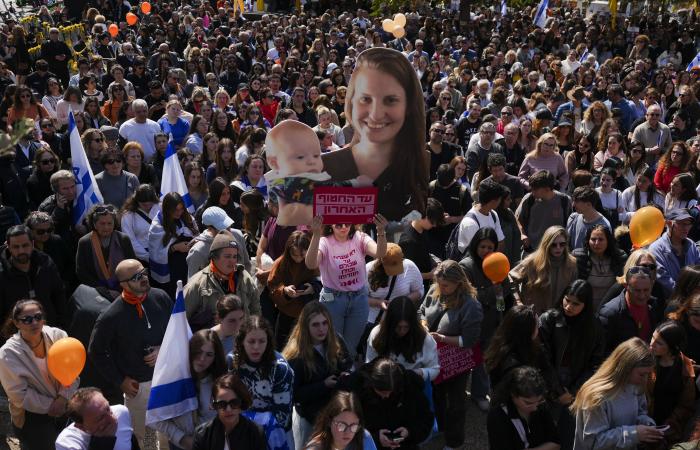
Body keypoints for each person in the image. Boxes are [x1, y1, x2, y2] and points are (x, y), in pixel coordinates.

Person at [321, 47, 429, 222]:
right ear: (351, 102)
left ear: (408, 106)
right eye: (366, 99)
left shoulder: (420, 162)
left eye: (390, 100)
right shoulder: (325, 167)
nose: (376, 114)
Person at [88, 259, 171, 449]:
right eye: (136, 277)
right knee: (147, 436)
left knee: (168, 431)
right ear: (123, 284)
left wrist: (163, 349)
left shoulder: (161, 297)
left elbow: (177, 330)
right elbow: (96, 351)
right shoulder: (111, 315)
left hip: (165, 378)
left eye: (143, 273)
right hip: (138, 387)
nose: (143, 279)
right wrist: (120, 380)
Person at [419, 260, 483, 449]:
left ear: (459, 283)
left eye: (445, 285)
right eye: (438, 283)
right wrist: (423, 324)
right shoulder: (434, 291)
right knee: (437, 396)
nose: (440, 288)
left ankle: (454, 441)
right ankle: (441, 426)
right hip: (433, 357)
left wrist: (443, 338)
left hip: (456, 361)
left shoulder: (471, 306)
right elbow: (422, 310)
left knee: (455, 403)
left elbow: (470, 341)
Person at [305, 214, 388, 358]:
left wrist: (381, 230)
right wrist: (316, 234)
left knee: (349, 347)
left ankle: (345, 374)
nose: (343, 227)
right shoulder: (325, 242)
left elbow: (380, 253)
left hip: (358, 299)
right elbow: (311, 264)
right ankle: (331, 374)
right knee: (331, 345)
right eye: (338, 224)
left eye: (347, 223)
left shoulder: (359, 237)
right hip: (333, 300)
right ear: (330, 225)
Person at [0, 300, 79, 450]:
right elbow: (19, 395)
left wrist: (63, 398)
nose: (34, 322)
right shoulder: (7, 354)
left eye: (38, 317)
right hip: (32, 415)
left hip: (64, 402)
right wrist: (52, 406)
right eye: (27, 319)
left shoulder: (59, 335)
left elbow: (74, 370)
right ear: (17, 323)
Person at [538, 280, 605, 449]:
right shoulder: (549, 320)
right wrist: (558, 391)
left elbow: (595, 364)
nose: (569, 306)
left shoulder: (594, 327)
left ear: (585, 304)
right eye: (567, 300)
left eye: (576, 304)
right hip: (548, 383)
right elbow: (542, 359)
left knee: (568, 434)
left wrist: (574, 391)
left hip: (576, 386)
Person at [282, 301, 353, 449]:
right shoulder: (296, 356)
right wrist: (323, 385)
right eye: (315, 325)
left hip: (336, 413)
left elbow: (348, 364)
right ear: (305, 327)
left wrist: (346, 375)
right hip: (309, 419)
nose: (321, 329)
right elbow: (293, 395)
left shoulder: (336, 340)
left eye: (324, 323)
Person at [570, 337, 664, 449]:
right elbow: (594, 442)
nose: (645, 380)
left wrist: (645, 423)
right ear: (625, 368)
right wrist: (634, 434)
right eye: (641, 374)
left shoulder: (635, 386)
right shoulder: (596, 397)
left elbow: (639, 412)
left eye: (648, 374)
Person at [153, 329, 227, 450]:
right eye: (198, 352)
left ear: (216, 357)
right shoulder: (173, 380)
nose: (202, 359)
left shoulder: (220, 381)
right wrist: (182, 438)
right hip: (180, 445)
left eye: (209, 354)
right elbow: (154, 418)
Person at [351, 358, 434, 450]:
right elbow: (348, 428)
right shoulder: (356, 389)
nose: (386, 396)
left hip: (407, 445)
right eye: (381, 392)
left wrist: (409, 432)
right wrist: (374, 438)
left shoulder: (410, 386)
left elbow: (425, 420)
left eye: (390, 392)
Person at [229, 315, 295, 433]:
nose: (256, 347)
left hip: (274, 433)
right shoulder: (231, 363)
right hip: (238, 431)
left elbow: (282, 417)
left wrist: (248, 419)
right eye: (251, 341)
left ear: (268, 342)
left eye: (261, 341)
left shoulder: (280, 369)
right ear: (242, 341)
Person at [185, 230, 260, 331]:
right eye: (227, 256)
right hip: (214, 343)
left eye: (235, 256)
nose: (232, 261)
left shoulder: (244, 278)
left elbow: (255, 310)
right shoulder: (196, 284)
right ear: (214, 258)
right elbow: (182, 320)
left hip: (241, 341)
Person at [264, 120, 331, 226]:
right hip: (290, 234)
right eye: (300, 157)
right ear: (275, 163)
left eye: (316, 155)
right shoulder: (278, 184)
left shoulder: (323, 179)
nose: (311, 161)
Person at [0, 224, 66, 327]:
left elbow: (58, 293)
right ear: (8, 247)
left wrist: (60, 323)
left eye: (25, 245)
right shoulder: (2, 274)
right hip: (17, 337)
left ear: (32, 244)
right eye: (16, 247)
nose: (21, 251)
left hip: (49, 330)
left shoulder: (45, 263)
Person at [366, 296, 439, 383]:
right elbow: (369, 365)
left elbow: (435, 370)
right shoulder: (376, 334)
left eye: (406, 327)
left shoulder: (425, 339)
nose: (402, 331)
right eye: (398, 327)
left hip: (412, 386)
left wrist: (416, 373)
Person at [267, 231, 322, 348]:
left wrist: (313, 287)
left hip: (308, 313)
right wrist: (285, 291)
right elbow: (272, 285)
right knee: (283, 347)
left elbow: (323, 280)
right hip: (286, 314)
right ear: (288, 252)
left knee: (306, 347)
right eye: (294, 255)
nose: (298, 259)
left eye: (302, 255)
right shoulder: (281, 263)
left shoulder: (313, 261)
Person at [486, 366, 560, 450]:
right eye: (528, 403)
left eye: (539, 400)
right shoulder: (497, 416)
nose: (535, 408)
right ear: (513, 394)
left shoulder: (540, 406)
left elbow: (556, 443)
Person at [647, 321, 696, 448]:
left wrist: (671, 422)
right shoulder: (646, 360)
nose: (652, 344)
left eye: (659, 343)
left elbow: (686, 403)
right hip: (644, 420)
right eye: (652, 338)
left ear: (671, 347)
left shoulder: (684, 367)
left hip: (670, 428)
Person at [510, 226, 578, 313]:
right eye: (553, 245)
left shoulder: (571, 264)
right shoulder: (532, 261)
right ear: (546, 244)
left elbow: (572, 292)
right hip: (533, 314)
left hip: (556, 316)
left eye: (562, 244)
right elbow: (511, 277)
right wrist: (518, 300)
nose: (558, 248)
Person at [598, 265, 665, 354]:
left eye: (646, 290)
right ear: (626, 286)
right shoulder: (610, 313)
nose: (642, 296)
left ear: (652, 285)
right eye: (637, 290)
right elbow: (601, 352)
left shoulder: (654, 306)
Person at [75, 205, 136, 300]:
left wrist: (122, 288)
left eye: (109, 223)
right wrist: (102, 290)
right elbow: (81, 271)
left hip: (123, 290)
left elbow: (132, 266)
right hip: (96, 292)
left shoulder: (123, 239)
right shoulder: (85, 242)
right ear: (94, 224)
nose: (106, 227)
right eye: (102, 223)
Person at [191, 373, 267, 450]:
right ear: (215, 406)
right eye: (222, 404)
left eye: (234, 403)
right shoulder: (202, 435)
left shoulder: (255, 433)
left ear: (242, 403)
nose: (228, 409)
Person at [148, 192, 197, 297]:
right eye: (175, 210)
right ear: (168, 209)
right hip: (172, 271)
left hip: (189, 265)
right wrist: (175, 247)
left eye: (181, 209)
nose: (179, 213)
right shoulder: (158, 225)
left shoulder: (187, 218)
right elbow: (156, 250)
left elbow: (196, 234)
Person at [55, 388, 139, 450]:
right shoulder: (67, 443)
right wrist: (105, 441)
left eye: (108, 408)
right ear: (81, 427)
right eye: (100, 418)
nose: (112, 418)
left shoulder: (121, 412)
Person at [515, 171, 572, 255]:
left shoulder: (565, 201)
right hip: (533, 250)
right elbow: (517, 218)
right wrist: (522, 234)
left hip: (556, 251)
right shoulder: (529, 199)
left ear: (547, 189)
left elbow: (569, 224)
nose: (532, 191)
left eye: (535, 189)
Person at [572, 225, 627, 309]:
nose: (596, 243)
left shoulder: (619, 258)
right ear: (588, 240)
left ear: (608, 241)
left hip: (610, 309)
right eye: (593, 239)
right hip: (584, 309)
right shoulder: (579, 257)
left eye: (601, 239)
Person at [187, 205, 249, 279]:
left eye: (228, 225)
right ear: (210, 228)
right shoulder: (198, 252)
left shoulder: (238, 235)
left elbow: (247, 264)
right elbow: (192, 283)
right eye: (222, 228)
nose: (228, 231)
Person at [649, 209, 700, 297]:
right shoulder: (655, 249)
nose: (687, 228)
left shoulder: (691, 244)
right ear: (669, 223)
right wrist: (686, 296)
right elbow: (664, 280)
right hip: (670, 302)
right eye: (682, 224)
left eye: (689, 224)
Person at [398, 198, 445, 292]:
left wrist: (435, 263)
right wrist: (430, 275)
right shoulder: (408, 241)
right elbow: (406, 273)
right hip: (414, 290)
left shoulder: (422, 230)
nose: (434, 225)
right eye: (432, 222)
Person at [304, 390, 377, 450]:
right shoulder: (315, 448)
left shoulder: (364, 438)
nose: (348, 432)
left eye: (353, 426)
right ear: (329, 422)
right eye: (342, 425)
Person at [456, 178, 506, 255]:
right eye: (500, 199)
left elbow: (501, 242)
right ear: (493, 202)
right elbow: (476, 253)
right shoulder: (470, 223)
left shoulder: (493, 214)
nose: (501, 201)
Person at [120, 184, 161, 265]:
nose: (147, 207)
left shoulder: (161, 208)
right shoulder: (128, 215)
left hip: (162, 252)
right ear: (137, 201)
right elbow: (130, 240)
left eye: (150, 204)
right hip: (141, 257)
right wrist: (147, 256)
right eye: (144, 205)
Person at [566, 187, 611, 251]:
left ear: (589, 204)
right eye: (573, 201)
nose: (573, 204)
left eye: (577, 201)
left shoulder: (604, 225)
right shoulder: (573, 218)